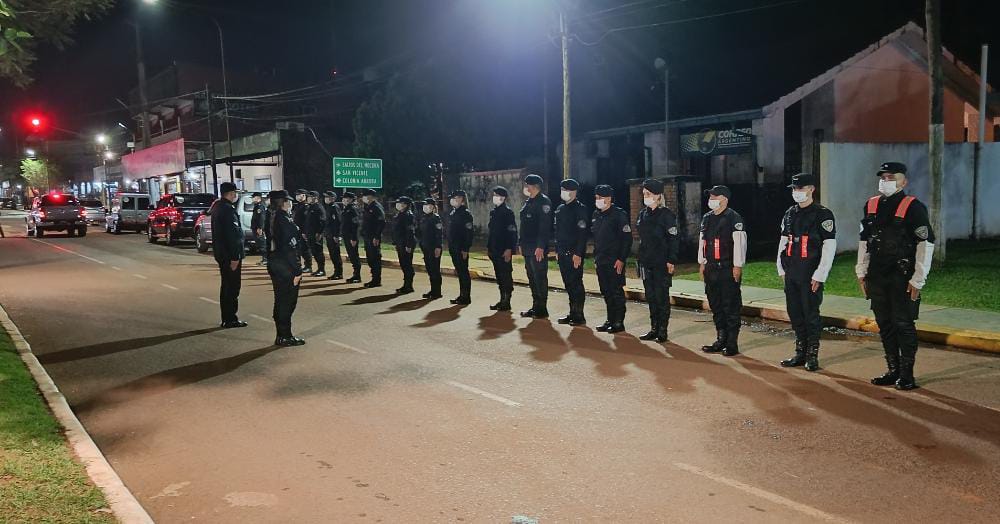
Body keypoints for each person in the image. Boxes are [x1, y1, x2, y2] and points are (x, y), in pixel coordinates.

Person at [856, 162, 934, 390]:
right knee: (885, 324)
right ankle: (893, 370)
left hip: (902, 276)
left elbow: (925, 244)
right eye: (884, 177)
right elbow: (865, 241)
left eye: (892, 177)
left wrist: (918, 279)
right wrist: (861, 271)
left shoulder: (914, 207)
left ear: (904, 181)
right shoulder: (871, 205)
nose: (886, 181)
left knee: (903, 323)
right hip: (877, 275)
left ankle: (907, 375)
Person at [777, 173, 837, 372]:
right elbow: (784, 240)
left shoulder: (823, 214)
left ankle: (812, 355)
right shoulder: (789, 213)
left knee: (810, 314)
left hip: (810, 272)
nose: (797, 192)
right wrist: (781, 268)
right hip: (792, 270)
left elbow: (829, 245)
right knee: (795, 312)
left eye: (800, 188)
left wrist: (820, 273)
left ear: (811, 189)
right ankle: (800, 352)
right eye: (794, 189)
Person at [699, 185, 747, 356]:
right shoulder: (707, 218)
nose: (711, 200)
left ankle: (732, 343)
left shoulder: (733, 218)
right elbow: (703, 241)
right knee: (716, 305)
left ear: (724, 199)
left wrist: (737, 265)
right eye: (710, 197)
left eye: (715, 197)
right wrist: (702, 262)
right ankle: (721, 339)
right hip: (711, 268)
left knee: (730, 306)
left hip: (727, 268)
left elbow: (740, 244)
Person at [636, 179, 679, 342]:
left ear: (658, 196)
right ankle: (654, 328)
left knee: (661, 297)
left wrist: (671, 260)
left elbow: (673, 239)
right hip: (646, 262)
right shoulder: (643, 214)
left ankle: (662, 330)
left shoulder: (666, 215)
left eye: (648, 194)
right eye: (644, 194)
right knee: (651, 297)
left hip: (661, 262)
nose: (645, 196)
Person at [265, 190, 305, 346]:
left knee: (280, 299)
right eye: (288, 201)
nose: (290, 203)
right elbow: (290, 247)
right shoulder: (283, 219)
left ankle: (281, 334)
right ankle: (284, 335)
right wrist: (297, 270)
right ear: (282, 202)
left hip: (275, 261)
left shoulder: (271, 216)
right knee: (287, 301)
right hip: (285, 265)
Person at [591, 184, 632, 333]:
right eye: (596, 197)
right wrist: (596, 257)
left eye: (601, 197)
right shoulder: (596, 215)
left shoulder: (619, 215)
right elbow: (597, 238)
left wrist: (621, 259)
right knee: (606, 291)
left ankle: (618, 322)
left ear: (609, 198)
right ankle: (610, 319)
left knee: (616, 292)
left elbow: (626, 239)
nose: (598, 200)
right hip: (601, 259)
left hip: (614, 260)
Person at [210, 182, 247, 329]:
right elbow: (233, 235)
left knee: (226, 286)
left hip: (222, 253)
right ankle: (230, 318)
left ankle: (227, 317)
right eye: (235, 193)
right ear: (231, 193)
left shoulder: (217, 207)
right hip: (229, 255)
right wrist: (235, 257)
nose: (235, 195)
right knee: (232, 287)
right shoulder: (227, 209)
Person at [554, 178, 590, 325]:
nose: (563, 192)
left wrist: (578, 253)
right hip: (562, 252)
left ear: (574, 192)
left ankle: (579, 315)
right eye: (562, 190)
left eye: (566, 190)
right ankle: (572, 312)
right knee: (568, 284)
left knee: (576, 284)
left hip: (574, 253)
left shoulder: (580, 209)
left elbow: (582, 234)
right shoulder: (560, 209)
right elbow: (557, 232)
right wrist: (557, 251)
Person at [519, 173, 553, 318]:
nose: (525, 187)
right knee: (532, 277)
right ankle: (535, 306)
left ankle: (542, 309)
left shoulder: (543, 202)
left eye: (527, 185)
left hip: (537, 247)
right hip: (527, 246)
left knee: (539, 277)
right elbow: (524, 226)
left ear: (533, 186)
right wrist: (520, 243)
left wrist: (540, 246)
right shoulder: (529, 202)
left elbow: (545, 226)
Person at [487, 186, 517, 311]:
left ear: (503, 198)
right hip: (494, 249)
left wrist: (509, 249)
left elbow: (512, 232)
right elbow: (492, 232)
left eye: (497, 195)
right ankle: (502, 299)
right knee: (499, 276)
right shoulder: (494, 212)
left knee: (505, 276)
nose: (494, 197)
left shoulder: (507, 213)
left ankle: (506, 301)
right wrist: (489, 248)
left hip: (504, 249)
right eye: (494, 195)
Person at [447, 190, 474, 305]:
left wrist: (465, 249)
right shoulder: (454, 212)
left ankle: (466, 296)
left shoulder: (465, 214)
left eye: (456, 197)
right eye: (453, 198)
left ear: (462, 199)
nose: (453, 200)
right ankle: (462, 295)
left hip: (461, 247)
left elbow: (469, 233)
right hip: (454, 247)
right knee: (460, 272)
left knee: (463, 272)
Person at [360, 188, 386, 288]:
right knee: (370, 258)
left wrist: (377, 236)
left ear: (371, 197)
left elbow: (381, 222)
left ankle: (376, 280)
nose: (363, 197)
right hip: (367, 236)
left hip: (373, 237)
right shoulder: (367, 206)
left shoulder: (376, 207)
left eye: (365, 196)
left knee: (375, 258)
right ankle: (374, 278)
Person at [392, 196, 418, 294]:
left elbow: (410, 231)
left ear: (406, 205)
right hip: (400, 242)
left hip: (406, 243)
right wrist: (395, 242)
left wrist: (409, 245)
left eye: (401, 203)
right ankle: (406, 285)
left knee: (407, 264)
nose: (398, 205)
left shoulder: (408, 215)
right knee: (403, 263)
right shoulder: (400, 214)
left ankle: (408, 286)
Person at [419, 198, 444, 299]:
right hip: (426, 247)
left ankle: (437, 291)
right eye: (425, 205)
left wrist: (438, 247)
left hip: (434, 247)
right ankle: (433, 290)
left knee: (434, 270)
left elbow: (439, 233)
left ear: (433, 207)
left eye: (428, 205)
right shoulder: (424, 218)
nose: (426, 207)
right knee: (430, 269)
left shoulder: (436, 218)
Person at [341, 192, 363, 283]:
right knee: (351, 255)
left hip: (351, 237)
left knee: (354, 256)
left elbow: (355, 224)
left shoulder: (353, 209)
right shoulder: (347, 209)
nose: (344, 200)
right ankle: (355, 274)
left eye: (346, 198)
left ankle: (357, 276)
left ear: (351, 199)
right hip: (347, 236)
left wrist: (354, 238)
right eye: (343, 198)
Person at [322, 190, 344, 280]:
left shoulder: (335, 207)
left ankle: (339, 273)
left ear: (333, 198)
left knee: (335, 254)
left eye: (327, 197)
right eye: (325, 197)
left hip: (333, 235)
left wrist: (337, 235)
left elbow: (337, 222)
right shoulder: (329, 207)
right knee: (332, 254)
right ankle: (336, 272)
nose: (326, 198)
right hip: (329, 234)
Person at [306, 190, 327, 277]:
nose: (308, 198)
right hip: (310, 233)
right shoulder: (311, 207)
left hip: (316, 234)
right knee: (314, 251)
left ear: (315, 198)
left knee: (318, 251)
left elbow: (322, 221)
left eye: (309, 197)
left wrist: (319, 232)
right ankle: (319, 269)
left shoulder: (319, 207)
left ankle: (322, 270)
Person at [292, 189, 313, 273]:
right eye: (296, 195)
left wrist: (304, 232)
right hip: (297, 231)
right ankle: (298, 265)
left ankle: (308, 266)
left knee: (305, 249)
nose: (297, 196)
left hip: (303, 231)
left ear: (304, 195)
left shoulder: (306, 206)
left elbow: (306, 221)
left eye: (299, 195)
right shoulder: (298, 205)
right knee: (298, 249)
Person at [249, 192, 266, 266]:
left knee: (262, 243)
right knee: (260, 243)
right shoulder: (256, 206)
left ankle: (265, 259)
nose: (252, 199)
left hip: (258, 228)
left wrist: (260, 228)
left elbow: (261, 218)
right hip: (256, 227)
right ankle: (264, 259)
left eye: (254, 197)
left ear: (258, 198)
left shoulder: (260, 206)